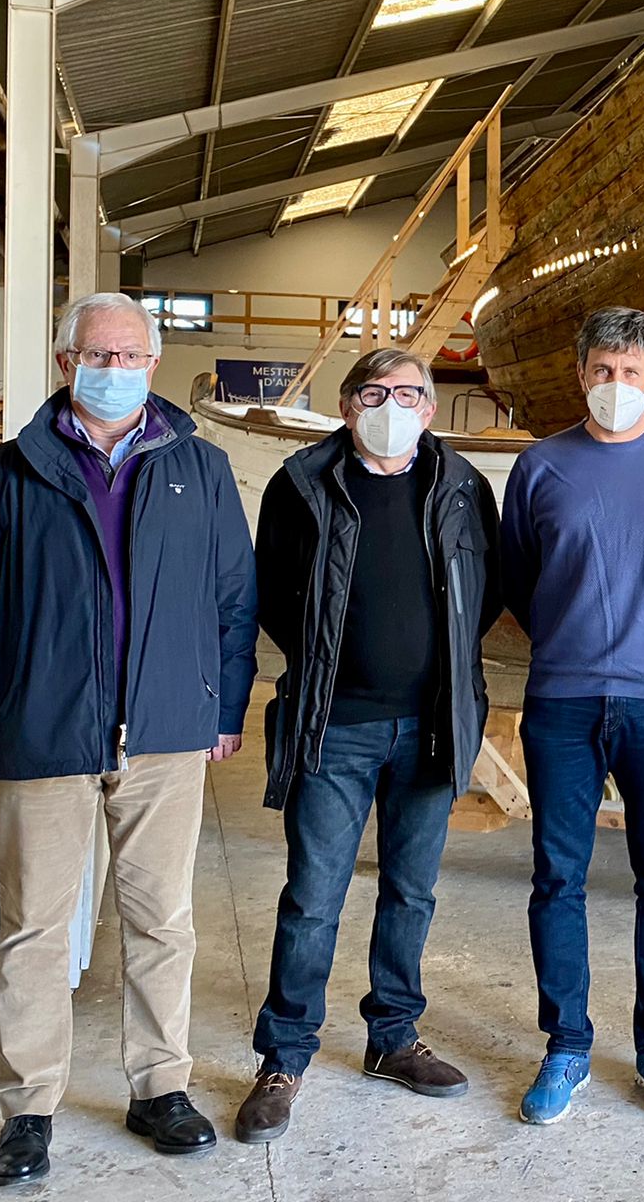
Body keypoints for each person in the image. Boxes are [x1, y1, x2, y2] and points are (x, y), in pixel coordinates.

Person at [0, 291, 258, 1188]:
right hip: (43, 731)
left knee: (162, 922)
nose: (117, 372)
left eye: (133, 356)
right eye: (99, 357)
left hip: (164, 737)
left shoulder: (201, 467)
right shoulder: (4, 476)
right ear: (67, 363)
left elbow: (232, 598)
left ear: (154, 362)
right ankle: (28, 1108)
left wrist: (222, 706)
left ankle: (160, 1087)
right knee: (32, 929)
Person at [234, 347, 501, 1144]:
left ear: (429, 407)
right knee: (314, 897)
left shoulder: (462, 488)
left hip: (429, 724)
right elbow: (273, 592)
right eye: (375, 391)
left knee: (411, 891)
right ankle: (283, 1057)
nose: (394, 403)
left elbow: (485, 596)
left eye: (410, 392)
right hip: (335, 724)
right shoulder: (302, 485)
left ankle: (392, 1037)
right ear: (348, 404)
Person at [500, 306, 644, 1124]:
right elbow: (521, 579)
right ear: (581, 375)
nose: (616, 385)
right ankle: (565, 1042)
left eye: (631, 372)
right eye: (603, 370)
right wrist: (575, 636)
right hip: (562, 700)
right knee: (557, 876)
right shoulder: (540, 467)